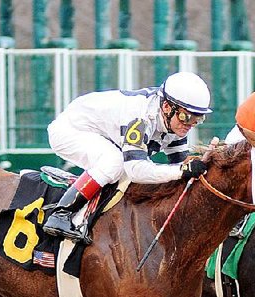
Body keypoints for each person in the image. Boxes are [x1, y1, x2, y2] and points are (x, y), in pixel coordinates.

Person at [42, 71, 212, 243]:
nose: (190, 125)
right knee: (114, 162)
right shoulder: (141, 118)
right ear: (167, 107)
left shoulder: (176, 124)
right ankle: (61, 213)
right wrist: (181, 170)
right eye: (186, 117)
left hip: (104, 135)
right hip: (70, 130)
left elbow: (181, 164)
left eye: (198, 119)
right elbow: (136, 170)